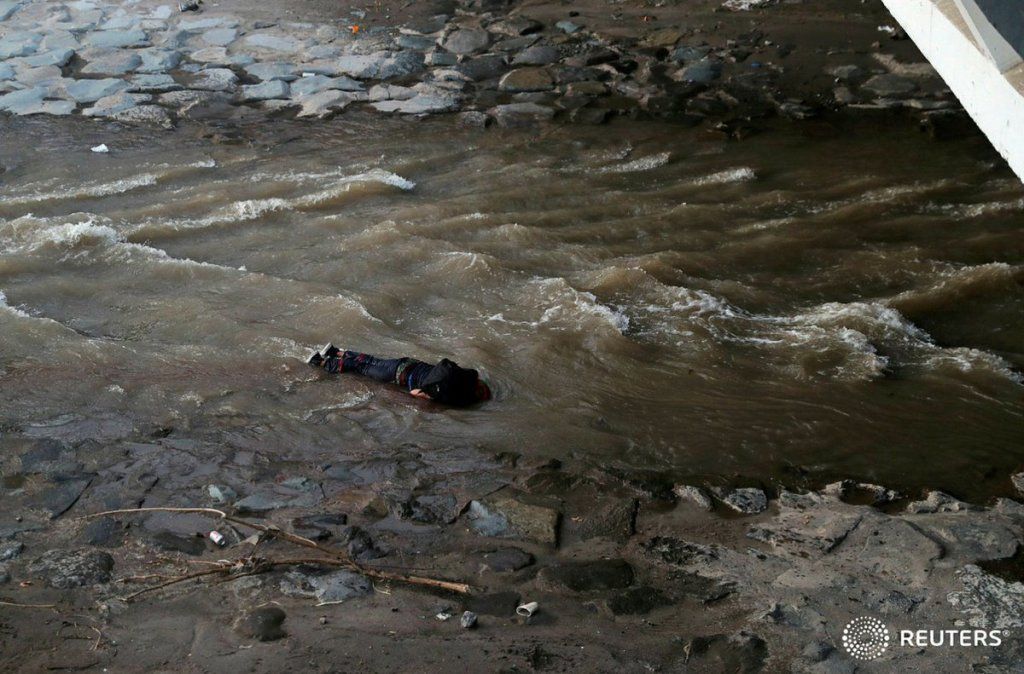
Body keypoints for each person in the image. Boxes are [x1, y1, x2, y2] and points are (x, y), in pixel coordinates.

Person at [308, 344, 491, 406]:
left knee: (371, 360)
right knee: (361, 369)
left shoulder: (462, 376)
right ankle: (320, 362)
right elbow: (414, 394)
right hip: (398, 375)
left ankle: (336, 351)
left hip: (408, 363)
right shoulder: (448, 393)